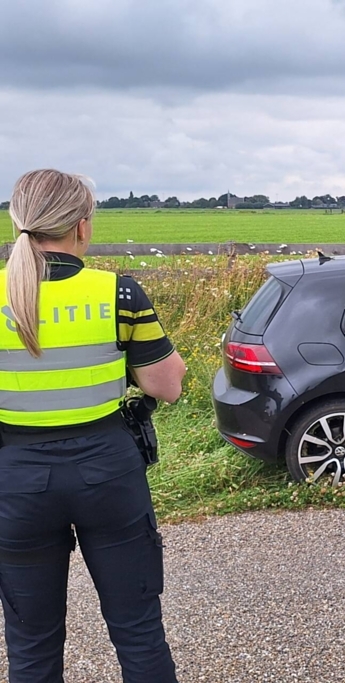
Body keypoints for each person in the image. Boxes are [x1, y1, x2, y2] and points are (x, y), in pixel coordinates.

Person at [0, 169, 186, 682]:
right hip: (107, 472)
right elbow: (167, 387)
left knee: (31, 649)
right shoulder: (119, 294)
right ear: (82, 226)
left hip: (15, 481)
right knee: (140, 635)